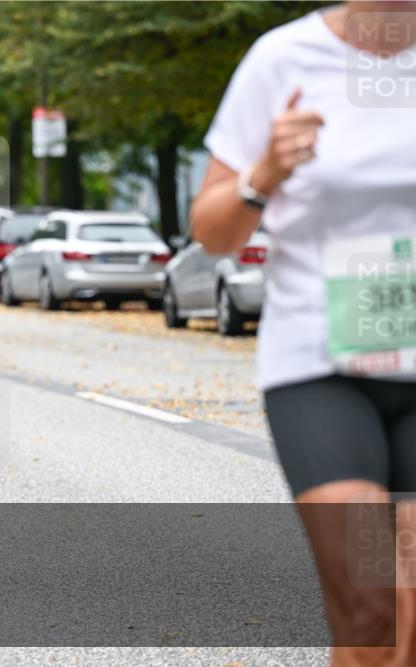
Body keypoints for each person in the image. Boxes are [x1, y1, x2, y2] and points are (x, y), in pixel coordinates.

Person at [190, 4, 415, 665]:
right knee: (371, 607)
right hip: (320, 361)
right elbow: (211, 232)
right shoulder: (283, 58)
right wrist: (264, 173)